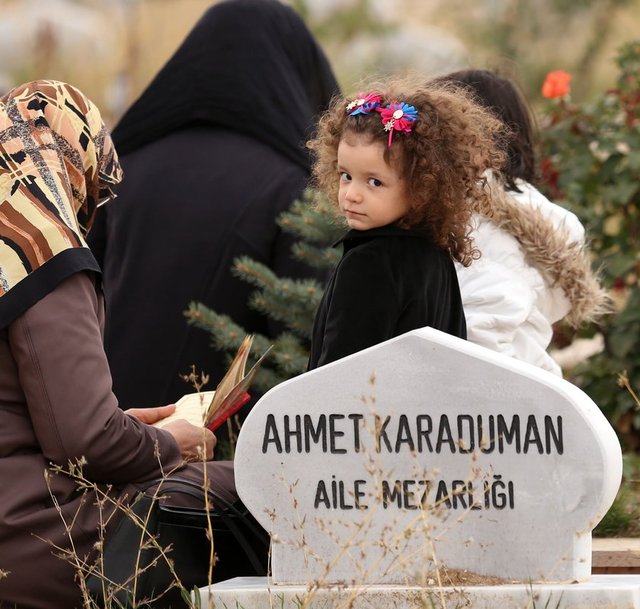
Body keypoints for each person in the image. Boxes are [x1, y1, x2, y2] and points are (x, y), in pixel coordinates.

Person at [0, 80, 237, 609]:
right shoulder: (41, 250)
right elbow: (84, 443)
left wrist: (127, 425)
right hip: (33, 537)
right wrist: (175, 445)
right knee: (249, 493)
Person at [88, 0, 340, 410]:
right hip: (219, 436)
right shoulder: (293, 185)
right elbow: (303, 340)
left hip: (103, 420)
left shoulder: (125, 165)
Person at [306, 80, 507, 369]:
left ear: (421, 187)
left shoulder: (369, 263)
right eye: (345, 176)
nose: (351, 194)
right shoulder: (434, 254)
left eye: (374, 182)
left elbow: (338, 378)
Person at [435, 69, 610, 376]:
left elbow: (479, 327)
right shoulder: (546, 216)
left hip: (479, 382)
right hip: (533, 377)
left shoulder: (469, 219)